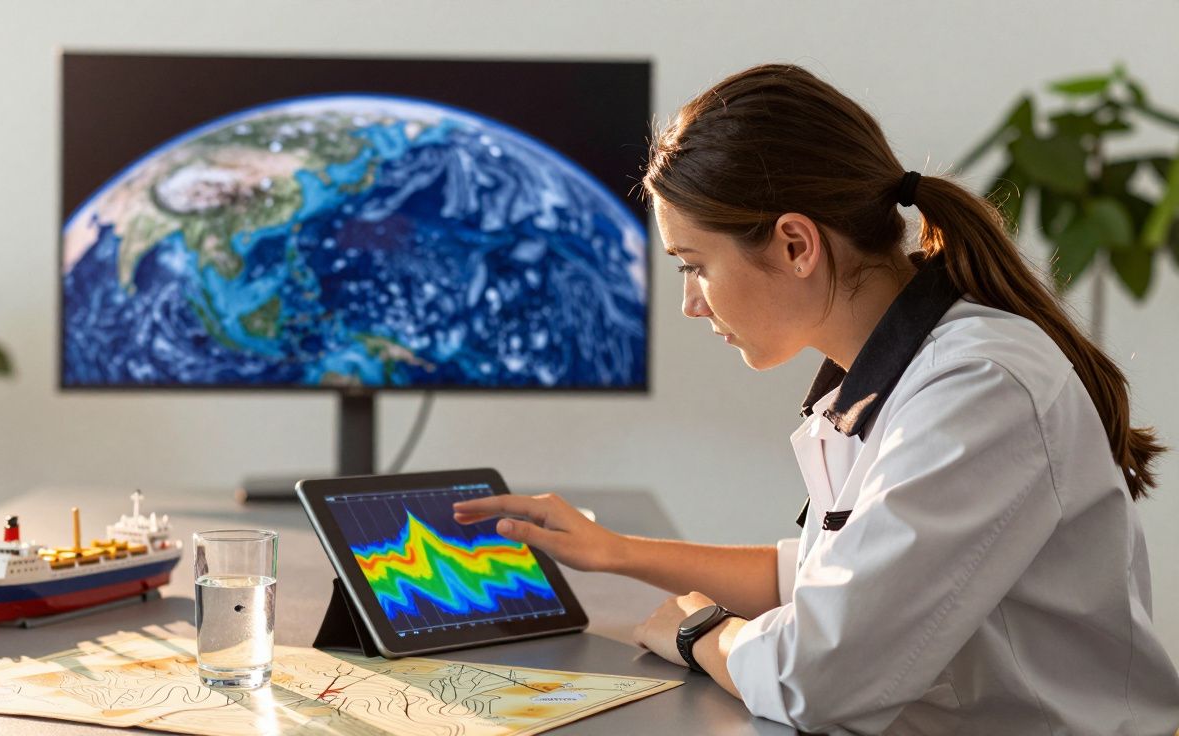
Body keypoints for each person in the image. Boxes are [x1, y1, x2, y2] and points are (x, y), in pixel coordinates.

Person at [454, 63, 1179, 735]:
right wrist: (616, 553)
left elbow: (817, 676)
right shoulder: (894, 371)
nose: (690, 305)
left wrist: (698, 631)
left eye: (695, 266)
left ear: (796, 245)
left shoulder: (980, 387)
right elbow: (828, 575)